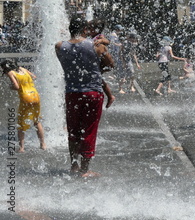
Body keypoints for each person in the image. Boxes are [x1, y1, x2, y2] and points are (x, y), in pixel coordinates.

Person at [55, 16, 114, 177]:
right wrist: (104, 45)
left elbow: (67, 65)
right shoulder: (95, 46)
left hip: (72, 93)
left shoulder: (60, 46)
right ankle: (85, 169)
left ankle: (73, 165)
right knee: (89, 130)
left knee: (73, 130)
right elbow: (111, 64)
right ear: (85, 30)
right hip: (92, 93)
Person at [1, 60, 46, 152]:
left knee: (21, 124)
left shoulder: (10, 73)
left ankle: (21, 148)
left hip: (26, 98)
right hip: (35, 96)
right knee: (37, 121)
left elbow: (16, 86)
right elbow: (34, 76)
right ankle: (43, 144)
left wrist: (10, 86)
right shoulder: (22, 69)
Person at [86, 19, 115, 108]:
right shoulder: (91, 36)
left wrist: (101, 41)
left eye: (90, 28)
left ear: (96, 29)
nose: (88, 30)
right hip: (97, 60)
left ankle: (110, 96)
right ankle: (110, 96)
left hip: (102, 60)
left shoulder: (100, 37)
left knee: (99, 79)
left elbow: (108, 41)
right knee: (98, 79)